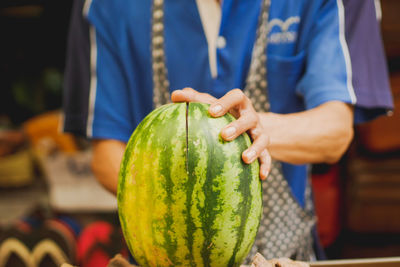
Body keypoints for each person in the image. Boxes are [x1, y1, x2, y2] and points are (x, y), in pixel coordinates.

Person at [63, 0, 393, 263]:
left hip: (284, 255)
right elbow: (106, 155)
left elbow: (335, 131)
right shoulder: (106, 5)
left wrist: (260, 128)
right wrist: (174, 201)